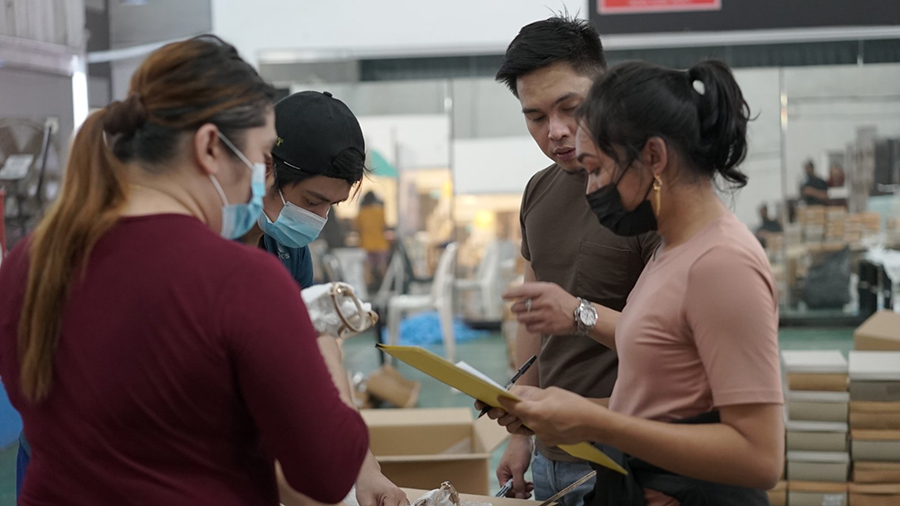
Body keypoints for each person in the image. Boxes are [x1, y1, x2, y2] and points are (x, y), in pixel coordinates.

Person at [0, 36, 368, 505]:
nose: (260, 183)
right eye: (259, 163)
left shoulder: (27, 264)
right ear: (210, 147)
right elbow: (328, 471)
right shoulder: (240, 282)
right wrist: (323, 335)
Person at [488, 59, 784, 506]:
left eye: (598, 170)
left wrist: (595, 421)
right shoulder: (673, 253)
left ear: (654, 157)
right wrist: (547, 412)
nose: (590, 191)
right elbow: (666, 409)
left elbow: (760, 458)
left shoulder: (721, 264)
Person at [485, 15, 659, 503]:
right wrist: (521, 433)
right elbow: (532, 319)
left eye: (570, 108)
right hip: (549, 456)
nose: (555, 131)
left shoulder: (650, 193)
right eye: (535, 117)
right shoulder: (538, 192)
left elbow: (672, 345)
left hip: (629, 458)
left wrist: (579, 313)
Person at [242, 91, 407, 506]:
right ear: (265, 171)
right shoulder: (209, 243)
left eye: (331, 206)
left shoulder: (286, 247)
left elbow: (319, 343)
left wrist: (364, 468)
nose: (317, 219)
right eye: (312, 201)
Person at [356, 191, 390, 286]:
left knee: (367, 268)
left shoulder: (361, 213)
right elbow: (384, 226)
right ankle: (385, 287)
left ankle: (367, 289)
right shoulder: (380, 211)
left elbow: (356, 228)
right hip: (380, 244)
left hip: (365, 244)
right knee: (382, 267)